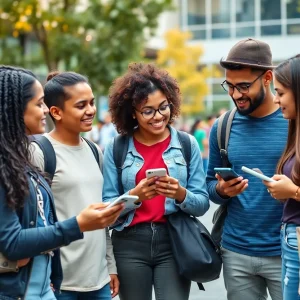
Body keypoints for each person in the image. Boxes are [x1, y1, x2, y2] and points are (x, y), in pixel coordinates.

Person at [0, 66, 123, 299]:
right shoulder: (33, 154)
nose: (44, 110)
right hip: (48, 284)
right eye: (39, 104)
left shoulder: (95, 151)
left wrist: (110, 266)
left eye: (91, 103)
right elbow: (14, 239)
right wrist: (78, 225)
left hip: (69, 280)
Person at [102, 62, 209, 300]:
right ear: (133, 113)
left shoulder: (186, 144)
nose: (158, 116)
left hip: (173, 240)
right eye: (148, 111)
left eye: (163, 107)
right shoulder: (117, 148)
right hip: (129, 243)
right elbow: (107, 207)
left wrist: (180, 194)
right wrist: (136, 197)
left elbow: (202, 204)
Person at [206, 38, 288, 300]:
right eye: (229, 86)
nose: (235, 94)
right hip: (236, 251)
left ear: (267, 77)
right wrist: (221, 189)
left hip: (287, 251)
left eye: (243, 86)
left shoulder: (293, 120)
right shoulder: (222, 127)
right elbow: (209, 185)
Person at [263, 54, 300, 300]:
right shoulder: (294, 132)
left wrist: (293, 192)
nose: (276, 99)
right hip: (289, 238)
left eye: (281, 92)